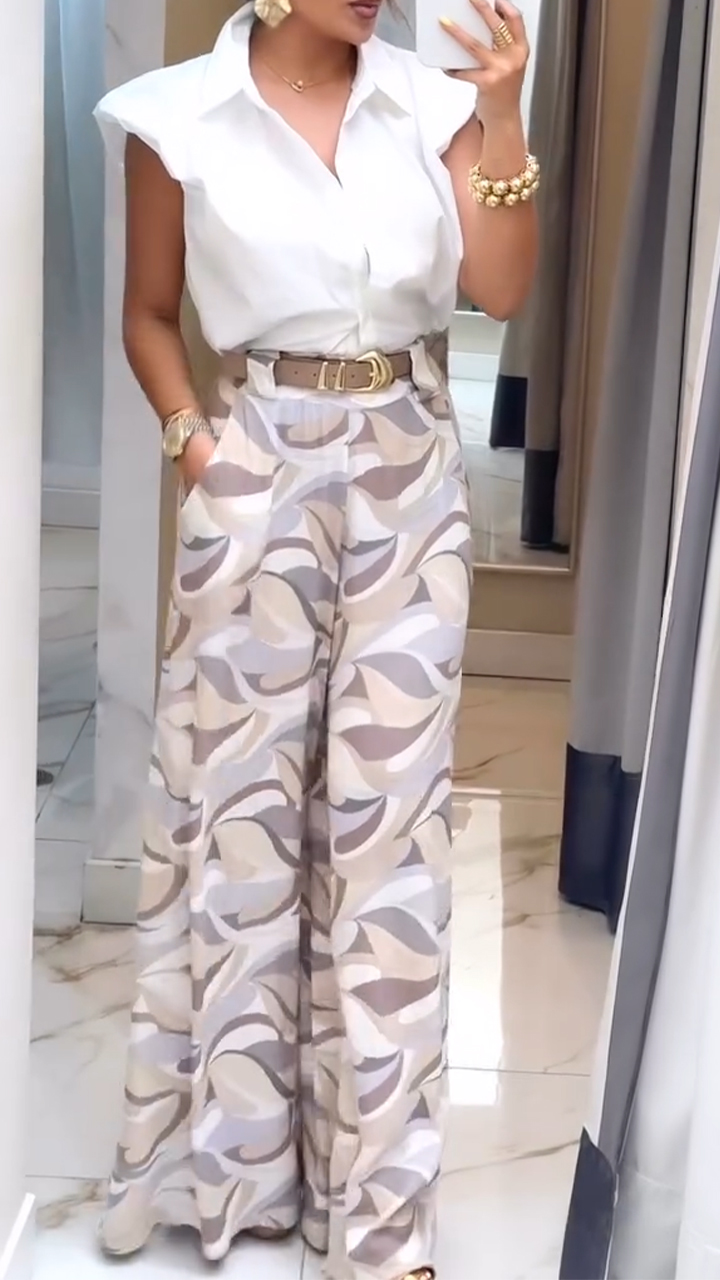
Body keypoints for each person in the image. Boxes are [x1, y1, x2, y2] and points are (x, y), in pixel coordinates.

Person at [94, 1, 537, 1277]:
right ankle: (239, 1179)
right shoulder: (174, 116)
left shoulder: (434, 105)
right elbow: (148, 313)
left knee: (388, 843)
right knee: (241, 822)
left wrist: (504, 113)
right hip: (258, 464)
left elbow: (502, 287)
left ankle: (383, 1227)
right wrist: (198, 447)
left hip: (407, 469)